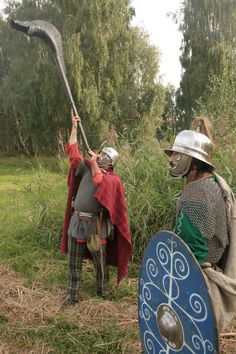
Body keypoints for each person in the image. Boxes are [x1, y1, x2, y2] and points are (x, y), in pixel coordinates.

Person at [164, 116, 236, 331]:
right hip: (209, 268)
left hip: (196, 277)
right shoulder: (212, 183)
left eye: (178, 154)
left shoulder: (195, 193)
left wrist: (179, 280)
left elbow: (192, 250)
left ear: (192, 160)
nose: (173, 158)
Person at [60, 109, 132, 304]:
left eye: (101, 155)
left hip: (96, 226)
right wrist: (74, 128)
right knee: (74, 264)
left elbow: (100, 181)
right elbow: (73, 154)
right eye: (98, 154)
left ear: (109, 161)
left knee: (100, 264)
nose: (97, 156)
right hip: (77, 222)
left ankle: (104, 292)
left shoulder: (112, 179)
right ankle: (72, 296)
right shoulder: (85, 168)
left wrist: (94, 165)